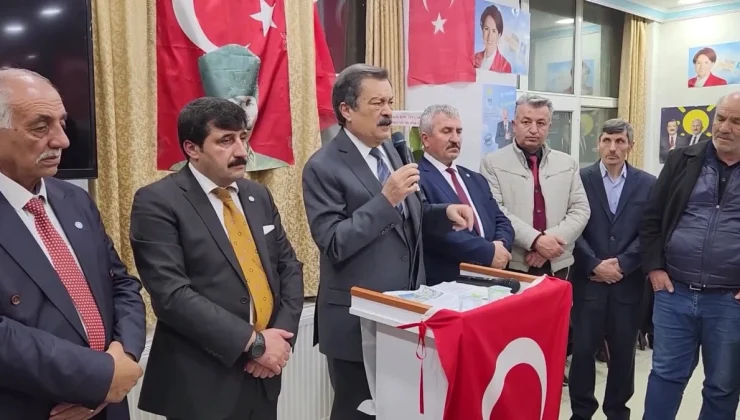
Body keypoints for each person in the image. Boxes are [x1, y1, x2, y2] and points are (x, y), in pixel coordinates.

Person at [302, 64, 475, 420]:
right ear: (346, 110)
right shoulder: (323, 166)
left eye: (390, 102)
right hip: (357, 320)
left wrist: (442, 213)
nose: (387, 112)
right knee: (357, 413)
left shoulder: (393, 151)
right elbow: (333, 242)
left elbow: (408, 216)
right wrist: (386, 199)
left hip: (405, 315)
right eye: (376, 103)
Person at [130, 97, 304, 420]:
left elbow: (288, 267)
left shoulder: (257, 195)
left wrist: (280, 337)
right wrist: (253, 343)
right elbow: (172, 295)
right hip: (203, 383)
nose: (241, 151)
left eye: (242, 137)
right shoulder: (158, 202)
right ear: (192, 148)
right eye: (225, 140)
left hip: (264, 374)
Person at [0, 67, 146, 419]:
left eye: (62, 123)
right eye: (41, 127)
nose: (62, 140)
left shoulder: (74, 200)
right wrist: (96, 377)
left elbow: (122, 284)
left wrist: (123, 359)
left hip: (110, 403)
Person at [640, 91, 740, 419]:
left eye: (736, 121)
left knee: (723, 386)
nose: (724, 127)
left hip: (730, 302)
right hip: (674, 295)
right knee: (665, 377)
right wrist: (654, 268)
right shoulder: (682, 159)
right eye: (720, 118)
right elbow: (652, 218)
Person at [569, 119, 656, 420]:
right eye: (607, 140)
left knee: (623, 356)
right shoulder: (579, 179)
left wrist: (623, 263)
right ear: (598, 144)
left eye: (620, 141)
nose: (612, 148)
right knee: (582, 353)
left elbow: (649, 230)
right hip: (589, 281)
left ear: (630, 145)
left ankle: (617, 412)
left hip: (627, 284)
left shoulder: (647, 183)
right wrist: (593, 264)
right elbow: (572, 227)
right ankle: (581, 412)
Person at [480, 93, 590, 279]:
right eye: (526, 122)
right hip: (513, 263)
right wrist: (536, 241)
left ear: (549, 127)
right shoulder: (492, 163)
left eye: (541, 123)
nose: (533, 129)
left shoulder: (567, 163)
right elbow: (495, 211)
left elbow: (580, 210)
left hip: (558, 263)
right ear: (514, 125)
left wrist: (548, 245)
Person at [417, 104, 514, 286]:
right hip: (448, 284)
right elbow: (434, 231)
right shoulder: (416, 178)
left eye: (459, 131)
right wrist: (488, 252)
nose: (455, 139)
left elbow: (501, 219)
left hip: (490, 281)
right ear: (425, 139)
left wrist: (500, 245)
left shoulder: (475, 179)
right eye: (447, 131)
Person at [473, 4, 512, 73]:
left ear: (499, 35)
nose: (489, 36)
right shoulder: (474, 58)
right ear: (482, 30)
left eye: (494, 31)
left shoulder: (505, 66)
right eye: (486, 29)